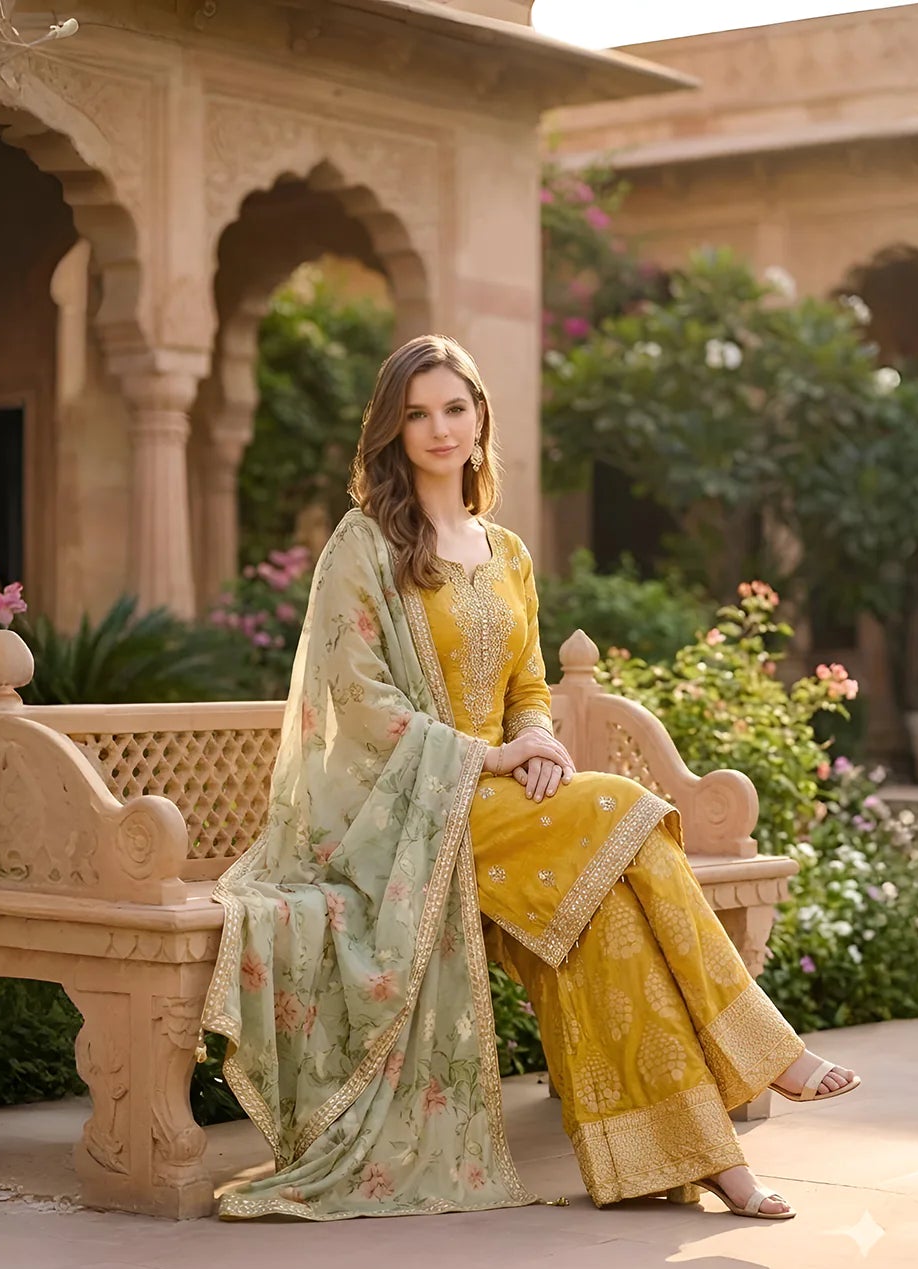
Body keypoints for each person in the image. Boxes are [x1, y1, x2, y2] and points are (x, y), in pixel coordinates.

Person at [200, 334, 860, 1223]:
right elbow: (356, 697)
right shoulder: (365, 546)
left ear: (479, 421)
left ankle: (701, 1166)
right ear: (393, 432)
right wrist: (488, 756)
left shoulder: (505, 552)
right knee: (627, 802)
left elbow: (529, 684)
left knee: (609, 930)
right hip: (413, 811)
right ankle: (765, 1047)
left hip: (511, 797)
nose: (439, 429)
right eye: (417, 414)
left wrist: (540, 738)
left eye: (455, 409)